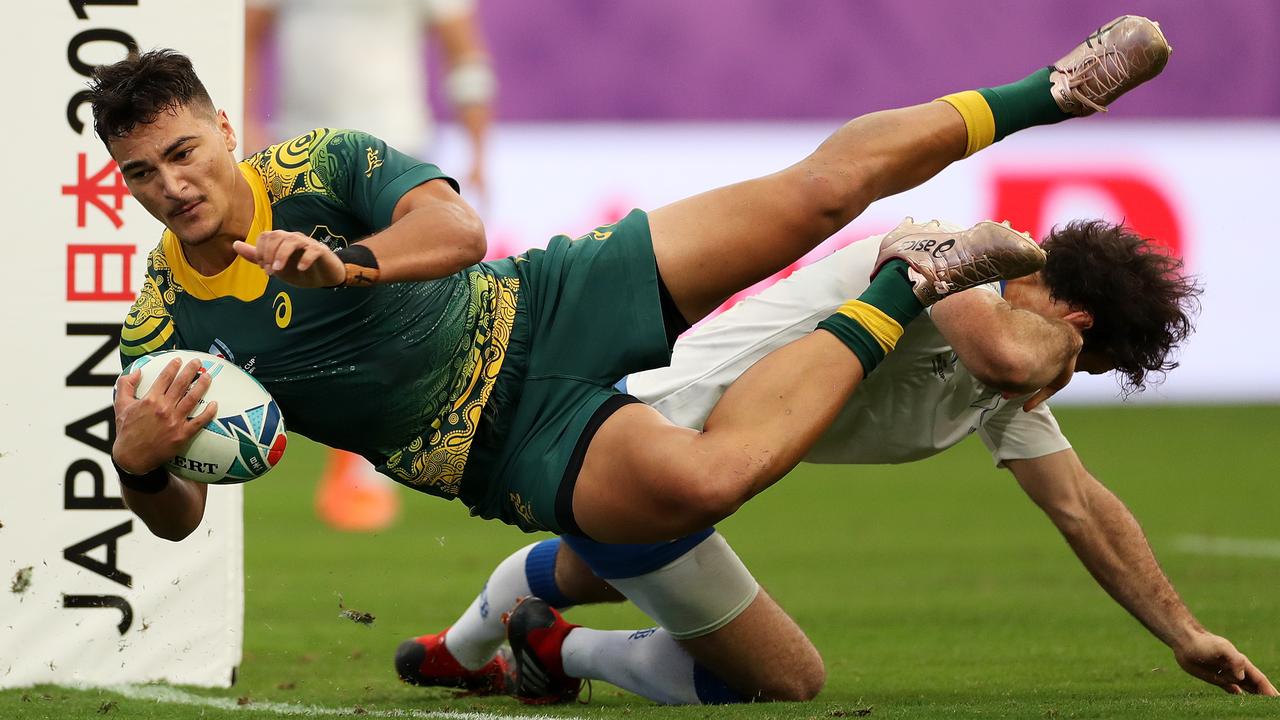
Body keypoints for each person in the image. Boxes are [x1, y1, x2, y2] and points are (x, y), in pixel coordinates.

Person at [101, 17, 1162, 589]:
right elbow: (181, 515)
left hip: (541, 300)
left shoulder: (322, 161)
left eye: (183, 153)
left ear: (224, 131)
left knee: (816, 191)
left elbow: (461, 234)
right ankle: (906, 282)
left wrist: (353, 266)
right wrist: (143, 460)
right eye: (142, 174)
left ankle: (1048, 92)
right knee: (704, 482)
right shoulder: (164, 328)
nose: (173, 187)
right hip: (500, 446)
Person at [397, 220, 1279, 704]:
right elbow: (1014, 360)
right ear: (1077, 329)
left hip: (628, 465)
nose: (1057, 388)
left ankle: (461, 650)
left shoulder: (999, 377)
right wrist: (1050, 363)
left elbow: (1081, 505)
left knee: (593, 565)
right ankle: (559, 653)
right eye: (1083, 364)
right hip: (639, 444)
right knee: (784, 679)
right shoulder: (952, 262)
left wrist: (1185, 633)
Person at [244, 0, 498, 531]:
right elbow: (251, 33)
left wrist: (479, 147)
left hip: (392, 150)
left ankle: (368, 466)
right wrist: (245, 118)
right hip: (301, 155)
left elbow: (462, 50)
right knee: (299, 298)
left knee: (377, 298)